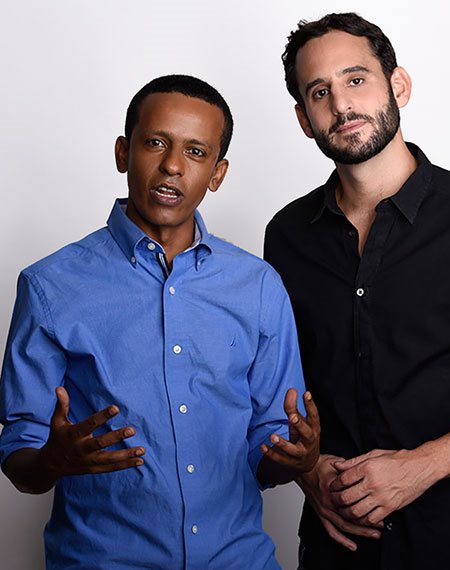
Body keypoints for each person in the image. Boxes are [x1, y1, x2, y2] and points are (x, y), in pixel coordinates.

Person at [264, 12, 450, 570]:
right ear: (304, 119)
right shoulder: (285, 236)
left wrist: (424, 465)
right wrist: (309, 471)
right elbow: (273, 380)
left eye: (356, 79)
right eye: (319, 92)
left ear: (398, 86)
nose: (342, 104)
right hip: (336, 551)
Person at [0, 74, 320, 569]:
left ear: (217, 173)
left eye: (196, 151)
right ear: (123, 153)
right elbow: (20, 452)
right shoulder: (50, 287)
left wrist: (297, 458)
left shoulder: (258, 286)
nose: (172, 165)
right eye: (155, 143)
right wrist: (50, 461)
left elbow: (269, 441)